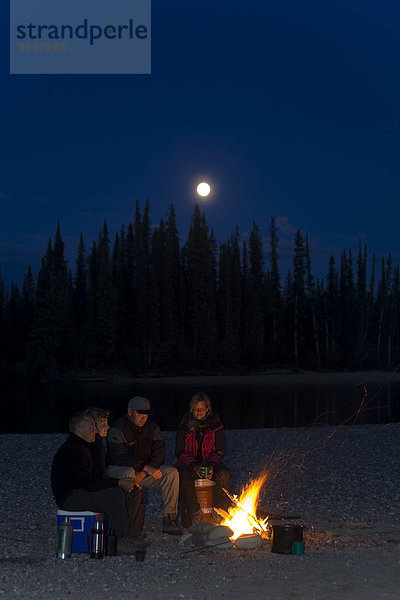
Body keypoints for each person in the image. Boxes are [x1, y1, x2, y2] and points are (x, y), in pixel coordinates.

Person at [50, 410, 144, 554]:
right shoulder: (73, 451)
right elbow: (89, 483)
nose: (95, 430)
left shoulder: (85, 446)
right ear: (79, 429)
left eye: (95, 426)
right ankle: (118, 541)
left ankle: (130, 536)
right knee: (114, 495)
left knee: (129, 491)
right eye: (91, 427)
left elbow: (98, 477)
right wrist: (118, 483)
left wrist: (119, 482)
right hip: (70, 497)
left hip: (81, 490)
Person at [107, 396, 182, 535]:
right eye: (140, 415)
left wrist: (146, 470)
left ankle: (169, 520)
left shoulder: (152, 428)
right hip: (120, 471)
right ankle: (130, 521)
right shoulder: (118, 428)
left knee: (171, 473)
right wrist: (144, 468)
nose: (144, 418)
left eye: (146, 415)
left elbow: (160, 452)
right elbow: (120, 457)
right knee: (129, 472)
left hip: (145, 471)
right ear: (130, 411)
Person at [175, 392, 231, 528]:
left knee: (224, 474)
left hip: (211, 462)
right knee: (184, 476)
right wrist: (194, 466)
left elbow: (220, 450)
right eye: (195, 409)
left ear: (208, 408)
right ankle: (194, 512)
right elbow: (180, 452)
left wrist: (211, 466)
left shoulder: (216, 426)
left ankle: (219, 511)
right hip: (190, 464)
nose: (198, 412)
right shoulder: (185, 426)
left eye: (201, 409)